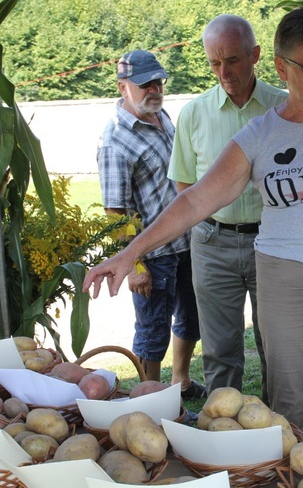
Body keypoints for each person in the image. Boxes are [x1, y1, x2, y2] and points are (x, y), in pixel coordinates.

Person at [83, 6, 303, 443]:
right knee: (291, 410)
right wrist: (130, 253)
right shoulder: (260, 134)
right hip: (286, 277)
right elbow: (196, 199)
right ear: (281, 66)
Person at [168, 14, 288, 404]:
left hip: (273, 241)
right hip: (212, 242)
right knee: (219, 347)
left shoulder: (284, 108)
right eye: (214, 63)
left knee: (278, 344)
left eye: (232, 60)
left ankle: (281, 430)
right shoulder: (193, 113)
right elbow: (185, 184)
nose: (224, 72)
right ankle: (224, 431)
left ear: (255, 55)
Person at [96, 50, 206, 401]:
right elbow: (116, 214)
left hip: (188, 240)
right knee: (152, 330)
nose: (154, 89)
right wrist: (136, 266)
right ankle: (150, 398)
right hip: (154, 253)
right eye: (145, 84)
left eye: (158, 81)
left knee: (192, 318)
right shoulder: (115, 140)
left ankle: (181, 383)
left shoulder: (161, 116)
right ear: (123, 87)